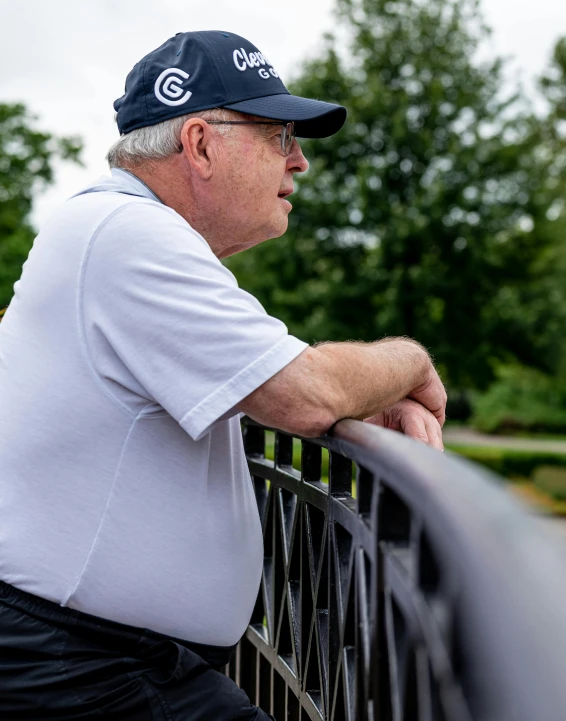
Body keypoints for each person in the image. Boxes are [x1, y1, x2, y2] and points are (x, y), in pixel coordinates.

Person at [0, 30, 446, 720]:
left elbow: (279, 376)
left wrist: (367, 392)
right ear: (202, 143)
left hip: (100, 663)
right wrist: (410, 363)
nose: (299, 163)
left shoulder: (119, 231)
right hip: (83, 669)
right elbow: (305, 391)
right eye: (279, 136)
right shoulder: (126, 233)